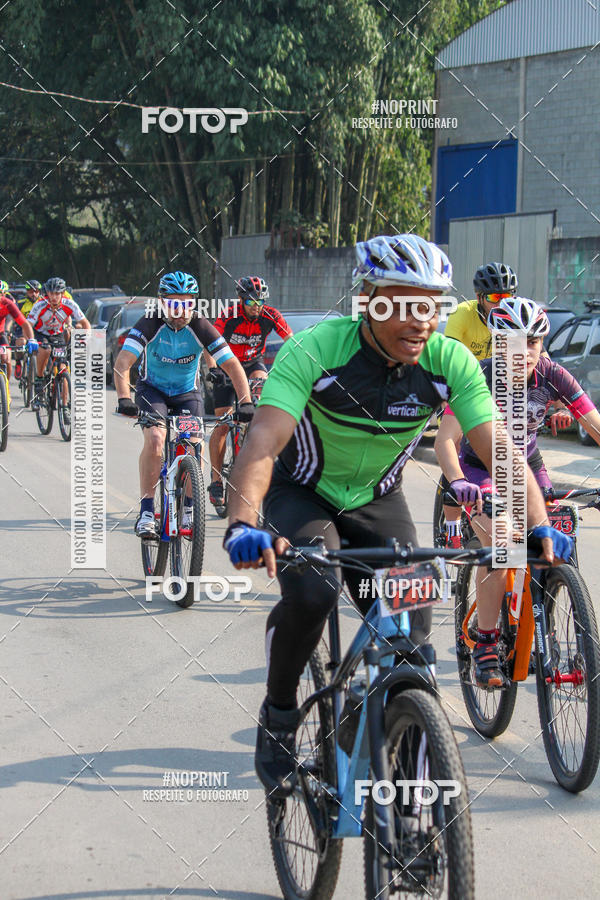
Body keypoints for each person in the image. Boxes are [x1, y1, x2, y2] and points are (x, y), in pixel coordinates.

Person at [220, 235, 568, 797]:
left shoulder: (447, 360)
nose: (421, 321)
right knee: (313, 593)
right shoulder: (314, 350)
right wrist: (242, 522)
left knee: (409, 640)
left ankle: (382, 729)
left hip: (379, 501)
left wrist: (536, 521)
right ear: (368, 300)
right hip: (303, 494)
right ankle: (280, 715)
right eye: (403, 306)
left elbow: (501, 446)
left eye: (431, 307)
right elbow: (263, 440)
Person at [434, 297, 600, 687]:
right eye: (513, 342)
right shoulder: (477, 375)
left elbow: (593, 423)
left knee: (558, 536)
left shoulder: (553, 375)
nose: (524, 352)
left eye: (533, 343)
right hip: (479, 466)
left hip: (529, 463)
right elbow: (445, 441)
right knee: (503, 540)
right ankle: (487, 642)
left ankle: (551, 606)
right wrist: (458, 482)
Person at [112, 271, 256, 537]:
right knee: (156, 439)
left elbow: (233, 365)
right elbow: (123, 363)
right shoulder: (150, 323)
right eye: (173, 302)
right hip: (152, 390)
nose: (180, 309)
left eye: (187, 302)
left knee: (192, 446)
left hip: (187, 393)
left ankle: (190, 508)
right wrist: (124, 398)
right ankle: (146, 511)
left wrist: (246, 402)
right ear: (162, 302)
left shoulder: (200, 325)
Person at [204, 276, 292, 507]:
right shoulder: (228, 316)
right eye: (251, 302)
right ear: (241, 300)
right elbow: (209, 343)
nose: (256, 307)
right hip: (228, 366)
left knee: (261, 393)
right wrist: (213, 369)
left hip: (254, 363)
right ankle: (216, 480)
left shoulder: (270, 315)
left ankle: (253, 438)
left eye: (260, 302)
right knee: (222, 424)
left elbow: (292, 341)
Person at [27, 277, 90, 408]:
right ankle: (39, 380)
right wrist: (31, 339)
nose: (54, 297)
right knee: (46, 350)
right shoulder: (39, 304)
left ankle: (65, 404)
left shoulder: (70, 304)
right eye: (51, 293)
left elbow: (85, 324)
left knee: (63, 368)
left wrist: (87, 339)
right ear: (47, 293)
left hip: (58, 334)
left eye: (57, 293)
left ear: (62, 293)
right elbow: (28, 324)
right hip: (41, 333)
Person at [444, 261, 518, 360]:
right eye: (494, 297)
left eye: (505, 297)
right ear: (479, 298)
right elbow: (448, 357)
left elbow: (541, 357)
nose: (500, 303)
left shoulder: (518, 316)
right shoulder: (462, 312)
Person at [0, 280, 37, 382]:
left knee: (6, 359)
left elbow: (24, 323)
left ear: (3, 294)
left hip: (0, 334)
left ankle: (6, 388)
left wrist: (32, 339)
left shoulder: (8, 303)